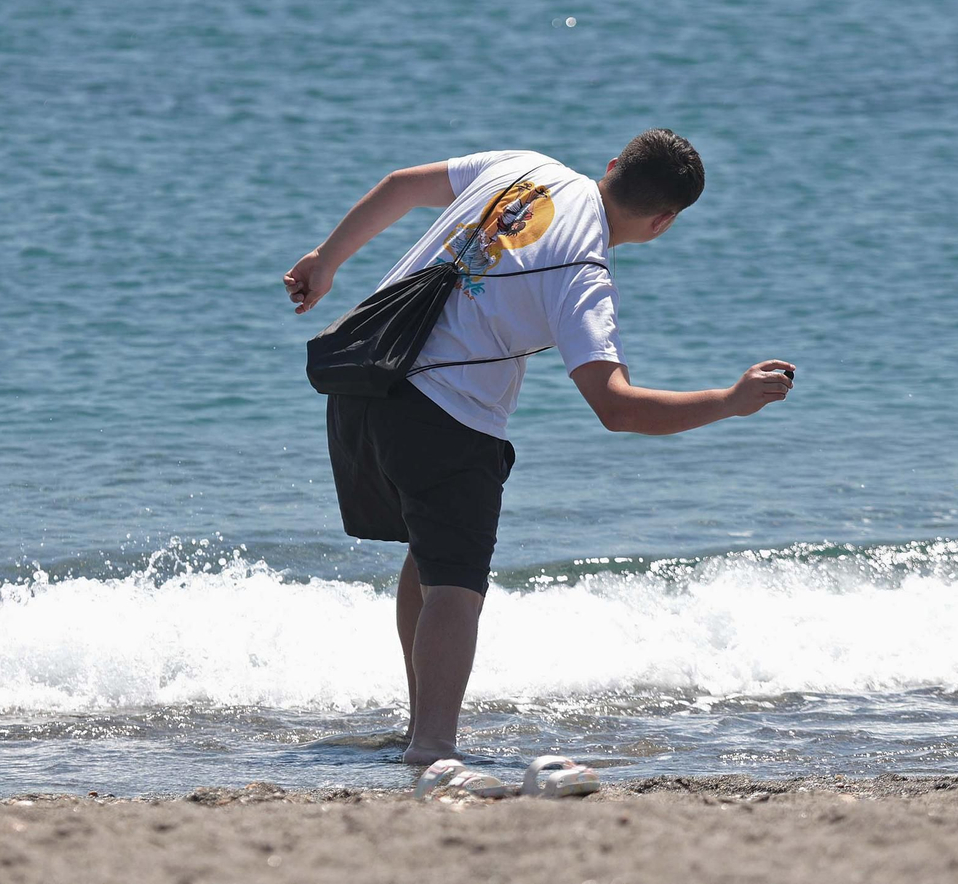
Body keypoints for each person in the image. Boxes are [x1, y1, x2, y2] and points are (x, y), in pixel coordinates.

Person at [283, 130, 795, 764]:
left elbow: (400, 185)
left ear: (612, 166)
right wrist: (729, 400)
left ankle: (422, 728)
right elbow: (616, 407)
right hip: (446, 415)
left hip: (363, 381)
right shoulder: (585, 272)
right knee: (455, 583)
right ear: (663, 223)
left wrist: (325, 260)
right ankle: (433, 747)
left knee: (429, 555)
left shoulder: (524, 166)